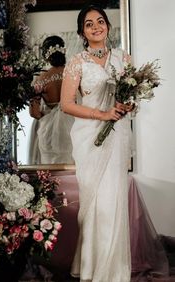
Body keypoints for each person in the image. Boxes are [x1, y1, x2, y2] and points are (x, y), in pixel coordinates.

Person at [60, 4, 133, 282]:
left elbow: (132, 98)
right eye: (89, 24)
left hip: (117, 137)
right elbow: (66, 105)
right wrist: (101, 114)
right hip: (90, 139)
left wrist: (127, 106)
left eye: (100, 21)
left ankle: (115, 271)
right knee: (96, 203)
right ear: (82, 32)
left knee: (113, 200)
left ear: (108, 27)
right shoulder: (77, 62)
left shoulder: (123, 59)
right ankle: (93, 268)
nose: (96, 27)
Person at [29, 35, 74, 165]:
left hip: (49, 130)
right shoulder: (74, 74)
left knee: (51, 169)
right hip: (73, 126)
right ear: (64, 51)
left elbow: (34, 113)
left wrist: (50, 115)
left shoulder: (40, 79)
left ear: (46, 55)